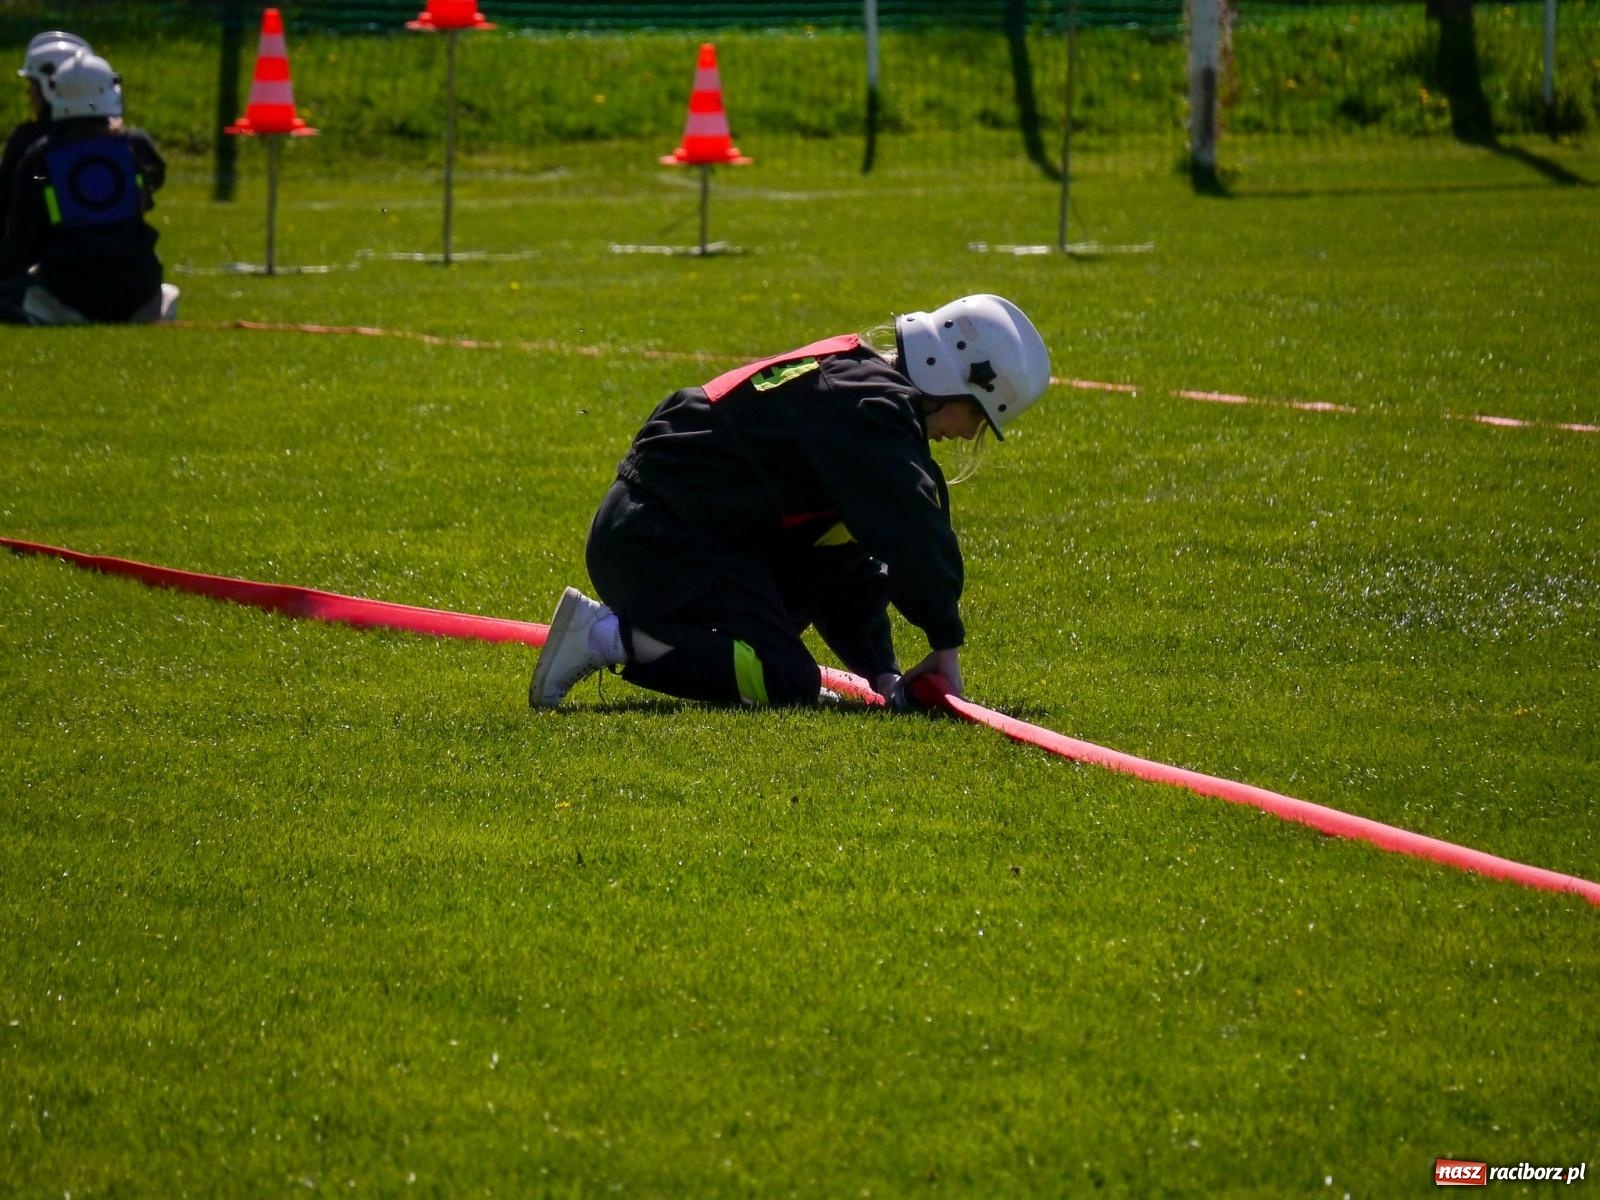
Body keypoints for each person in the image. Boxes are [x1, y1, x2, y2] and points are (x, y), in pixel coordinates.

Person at [529, 294, 1052, 711]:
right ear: (950, 377)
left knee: (791, 655)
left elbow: (839, 564)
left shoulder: (859, 390)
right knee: (783, 679)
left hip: (676, 531)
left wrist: (884, 674)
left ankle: (691, 647)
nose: (968, 436)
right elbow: (913, 528)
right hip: (656, 541)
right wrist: (945, 645)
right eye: (977, 418)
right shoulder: (870, 412)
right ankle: (602, 636)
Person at [0, 51, 171, 326]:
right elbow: (151, 186)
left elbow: (23, 233)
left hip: (70, 287)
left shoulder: (40, 158)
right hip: (139, 286)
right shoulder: (136, 147)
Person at [0, 31, 90, 232]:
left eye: (32, 85)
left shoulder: (28, 143)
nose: (28, 93)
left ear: (49, 87)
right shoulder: (122, 142)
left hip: (45, 259)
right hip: (117, 258)